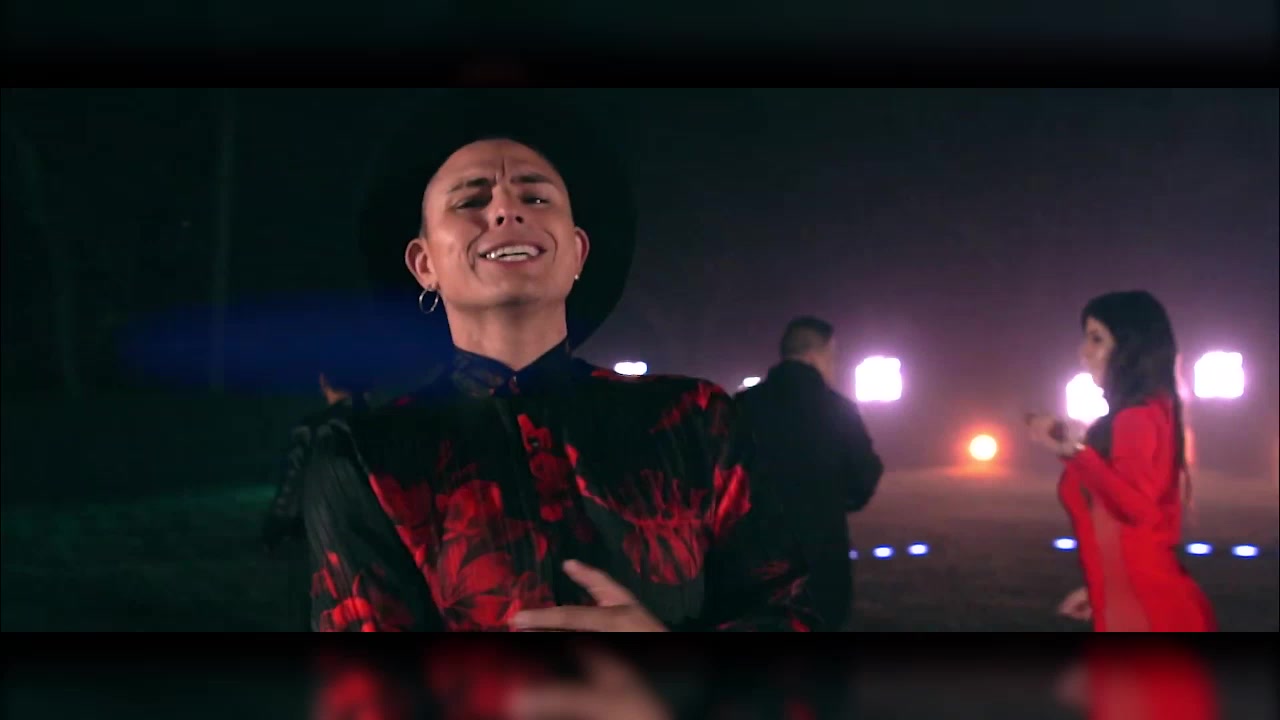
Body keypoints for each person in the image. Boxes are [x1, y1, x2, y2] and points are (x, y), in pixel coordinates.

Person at [302, 90, 818, 639]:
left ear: (577, 252)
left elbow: (787, 611)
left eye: (536, 196)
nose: (507, 210)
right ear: (424, 264)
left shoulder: (694, 418)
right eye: (470, 200)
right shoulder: (365, 454)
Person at [1026, 290, 1216, 632]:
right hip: (1140, 603)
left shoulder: (1136, 418)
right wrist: (1105, 586)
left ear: (1131, 347)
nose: (1084, 352)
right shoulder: (1154, 410)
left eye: (1097, 339)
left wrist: (1072, 450)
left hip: (1147, 613)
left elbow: (1136, 508)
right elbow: (1156, 522)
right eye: (1086, 338)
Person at [735, 316, 884, 631]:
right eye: (833, 357)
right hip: (821, 557)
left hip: (753, 559)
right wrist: (837, 502)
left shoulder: (742, 407)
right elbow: (864, 475)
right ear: (817, 355)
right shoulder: (837, 409)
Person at [262, 371, 371, 631]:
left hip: (319, 536)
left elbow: (292, 486)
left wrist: (276, 527)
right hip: (369, 536)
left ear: (324, 382)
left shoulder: (313, 430)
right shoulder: (377, 423)